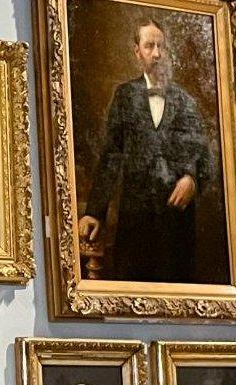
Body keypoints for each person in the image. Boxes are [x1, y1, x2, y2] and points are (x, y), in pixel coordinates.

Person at [77, 19, 212, 283]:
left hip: (177, 227)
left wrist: (192, 180)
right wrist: (95, 211)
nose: (157, 53)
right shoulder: (125, 96)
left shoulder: (185, 101)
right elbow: (111, 157)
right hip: (135, 223)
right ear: (137, 51)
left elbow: (205, 156)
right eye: (149, 46)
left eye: (161, 46)